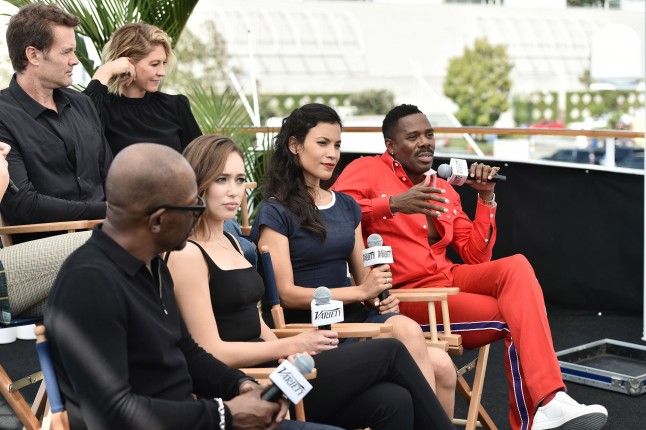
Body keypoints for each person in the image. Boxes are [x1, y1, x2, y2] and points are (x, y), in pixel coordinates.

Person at [332, 104, 609, 430]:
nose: (425, 142)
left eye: (429, 134)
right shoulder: (366, 169)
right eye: (413, 137)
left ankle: (550, 402)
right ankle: (541, 409)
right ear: (391, 145)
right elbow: (334, 212)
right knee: (514, 317)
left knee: (516, 266)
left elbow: (476, 257)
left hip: (446, 278)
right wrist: (393, 204)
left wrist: (486, 198)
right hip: (406, 297)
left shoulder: (443, 188)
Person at [45, 143, 346, 430]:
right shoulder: (90, 283)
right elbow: (112, 414)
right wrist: (225, 415)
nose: (197, 214)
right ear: (158, 220)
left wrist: (242, 386)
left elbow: (186, 350)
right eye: (192, 206)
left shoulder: (150, 264)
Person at [167, 134, 455, 430]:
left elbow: (257, 325)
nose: (233, 191)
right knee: (390, 352)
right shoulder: (186, 254)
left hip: (281, 370)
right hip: (246, 385)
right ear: (197, 183)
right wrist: (291, 344)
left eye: (239, 180)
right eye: (221, 179)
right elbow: (211, 351)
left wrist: (289, 351)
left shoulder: (232, 243)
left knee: (394, 400)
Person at [248, 104, 456, 416]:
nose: (332, 154)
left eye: (337, 145)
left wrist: (377, 296)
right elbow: (286, 293)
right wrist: (360, 291)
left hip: (356, 318)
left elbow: (364, 279)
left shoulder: (346, 206)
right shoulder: (275, 211)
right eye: (322, 143)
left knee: (443, 366)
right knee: (408, 331)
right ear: (294, 145)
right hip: (313, 327)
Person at [0, 3, 112, 232]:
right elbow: (22, 205)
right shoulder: (3, 115)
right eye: (66, 52)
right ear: (33, 55)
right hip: (47, 243)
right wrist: (107, 211)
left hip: (110, 231)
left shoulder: (83, 104)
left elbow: (112, 176)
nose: (75, 60)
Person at [82, 22, 201, 155]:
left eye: (164, 63)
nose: (162, 72)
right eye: (154, 64)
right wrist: (106, 70)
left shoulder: (176, 106)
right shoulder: (101, 109)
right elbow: (78, 128)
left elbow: (202, 160)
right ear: (126, 62)